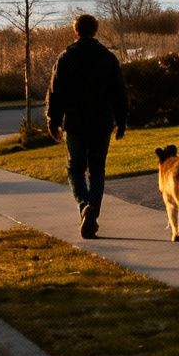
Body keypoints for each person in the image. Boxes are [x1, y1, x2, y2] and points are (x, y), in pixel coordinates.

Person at [45, 13, 128, 238]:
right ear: (95, 30)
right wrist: (121, 121)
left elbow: (55, 92)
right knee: (97, 170)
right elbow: (118, 93)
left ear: (76, 31)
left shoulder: (66, 58)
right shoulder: (107, 58)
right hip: (101, 122)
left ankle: (84, 206)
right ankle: (92, 212)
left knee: (75, 169)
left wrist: (52, 119)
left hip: (76, 123)